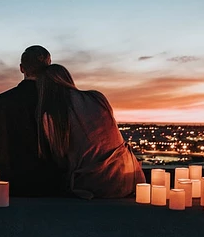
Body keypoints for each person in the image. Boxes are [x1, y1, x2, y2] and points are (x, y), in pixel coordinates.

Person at [35, 64, 146, 199]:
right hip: (131, 177)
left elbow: (60, 158)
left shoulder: (52, 116)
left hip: (95, 185)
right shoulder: (97, 97)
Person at [0, 45, 65, 196]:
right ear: (48, 68)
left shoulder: (1, 101)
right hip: (49, 183)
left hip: (8, 182)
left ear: (21, 68)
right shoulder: (58, 100)